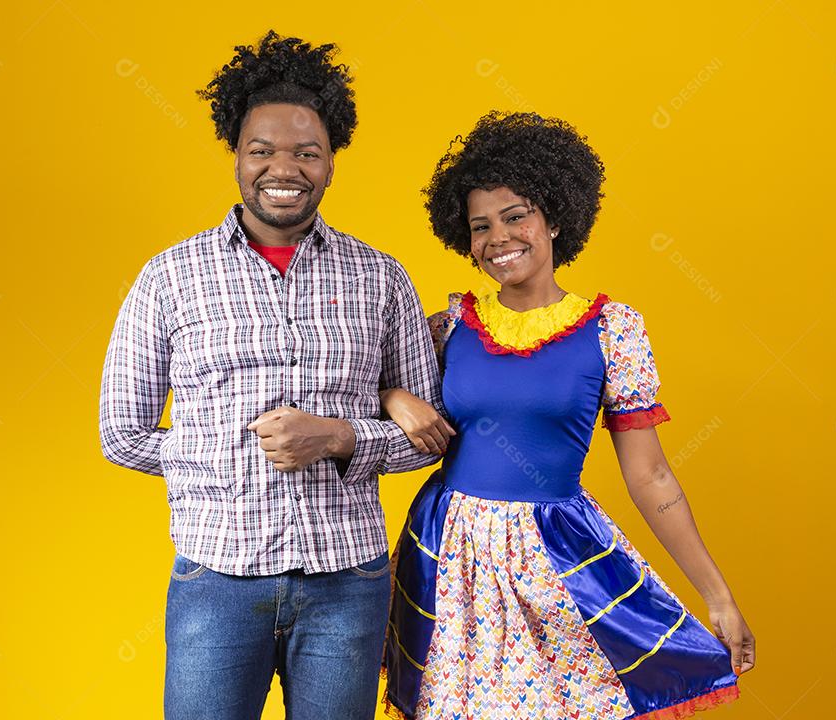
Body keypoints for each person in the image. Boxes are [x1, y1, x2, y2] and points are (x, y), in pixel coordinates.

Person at [98, 30, 447, 720]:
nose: (282, 167)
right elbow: (121, 433)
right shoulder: (170, 277)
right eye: (262, 150)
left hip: (348, 582)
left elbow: (428, 434)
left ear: (330, 163)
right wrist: (233, 451)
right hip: (216, 580)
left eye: (305, 152)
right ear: (236, 156)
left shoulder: (380, 277)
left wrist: (340, 436)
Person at [379, 111, 755, 719]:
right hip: (450, 555)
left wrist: (717, 596)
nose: (498, 237)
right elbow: (368, 382)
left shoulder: (613, 331)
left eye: (516, 215)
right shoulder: (449, 328)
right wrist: (395, 398)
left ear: (555, 218)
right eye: (480, 226)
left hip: (555, 555)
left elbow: (651, 476)